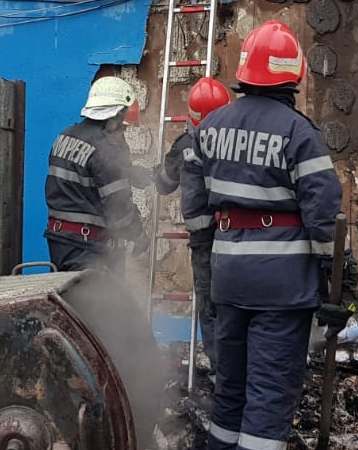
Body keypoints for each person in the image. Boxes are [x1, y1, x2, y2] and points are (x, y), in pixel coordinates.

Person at [183, 21, 354, 450]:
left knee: (231, 387)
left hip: (228, 278)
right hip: (282, 286)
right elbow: (323, 212)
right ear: (292, 73)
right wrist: (340, 274)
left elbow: (195, 205)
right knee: (270, 391)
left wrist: (207, 261)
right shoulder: (299, 132)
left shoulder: (209, 128)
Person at [153, 76, 232, 383]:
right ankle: (240, 372)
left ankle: (220, 375)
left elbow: (164, 184)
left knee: (210, 307)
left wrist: (156, 174)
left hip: (203, 241)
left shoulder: (185, 144)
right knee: (235, 306)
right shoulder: (237, 141)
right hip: (236, 236)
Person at [44, 76, 148, 272]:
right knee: (96, 292)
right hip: (87, 247)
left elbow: (86, 174)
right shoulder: (105, 146)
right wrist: (138, 234)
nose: (123, 130)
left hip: (59, 241)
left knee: (65, 291)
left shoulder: (65, 135)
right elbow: (118, 205)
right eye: (123, 123)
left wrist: (129, 173)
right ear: (116, 114)